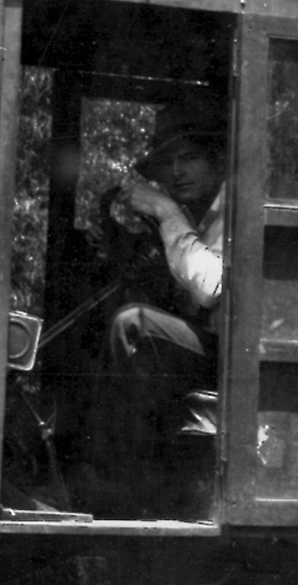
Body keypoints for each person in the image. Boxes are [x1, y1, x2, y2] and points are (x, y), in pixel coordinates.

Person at [93, 105, 226, 515]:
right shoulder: (198, 216)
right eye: (168, 162)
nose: (177, 172)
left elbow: (211, 288)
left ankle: (124, 496)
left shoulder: (235, 209)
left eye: (189, 158)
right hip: (212, 346)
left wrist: (166, 213)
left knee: (134, 327)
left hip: (238, 355)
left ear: (216, 161)